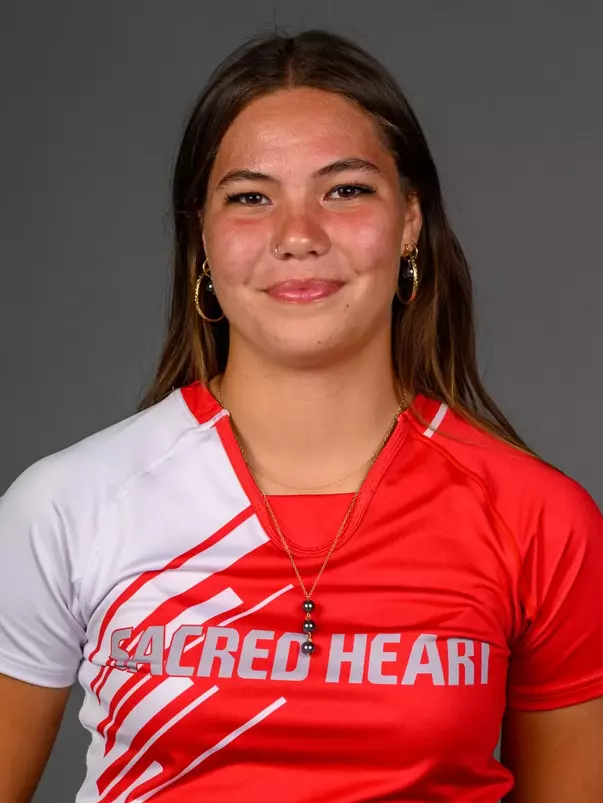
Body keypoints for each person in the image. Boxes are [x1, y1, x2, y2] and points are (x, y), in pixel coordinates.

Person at [0, 27, 602, 803]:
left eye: (345, 190)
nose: (298, 237)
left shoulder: (539, 520)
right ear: (203, 240)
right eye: (250, 197)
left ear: (409, 220)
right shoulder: (64, 507)